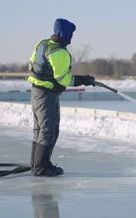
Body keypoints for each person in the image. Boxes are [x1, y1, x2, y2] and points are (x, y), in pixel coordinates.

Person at [28, 18, 95, 177]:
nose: (72, 37)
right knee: (49, 130)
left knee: (40, 129)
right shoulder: (60, 52)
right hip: (46, 95)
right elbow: (64, 79)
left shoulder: (42, 44)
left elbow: (32, 65)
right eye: (71, 33)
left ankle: (38, 164)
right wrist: (84, 80)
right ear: (66, 34)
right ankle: (40, 168)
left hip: (36, 91)